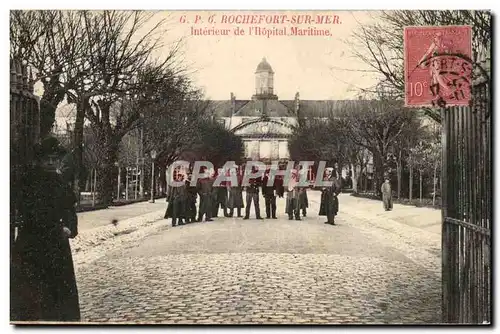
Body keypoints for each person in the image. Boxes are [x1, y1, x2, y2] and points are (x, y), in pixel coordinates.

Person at [11, 137, 81, 321]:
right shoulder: (28, 182)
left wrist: (69, 227)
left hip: (55, 244)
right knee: (29, 294)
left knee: (57, 296)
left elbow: (69, 211)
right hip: (31, 243)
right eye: (46, 159)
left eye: (54, 159)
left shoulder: (60, 183)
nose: (50, 163)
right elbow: (23, 207)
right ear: (39, 160)